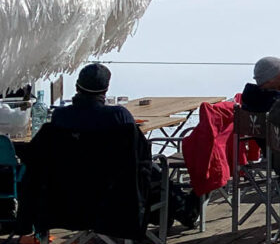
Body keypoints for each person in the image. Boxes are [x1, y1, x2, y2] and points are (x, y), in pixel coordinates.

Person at [52, 63, 201, 229]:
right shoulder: (118, 115)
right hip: (120, 198)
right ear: (105, 90)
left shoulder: (60, 116)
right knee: (153, 169)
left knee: (144, 170)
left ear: (76, 87)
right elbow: (142, 153)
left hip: (73, 196)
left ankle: (166, 211)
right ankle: (182, 210)